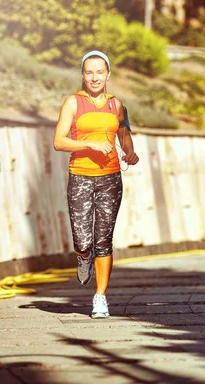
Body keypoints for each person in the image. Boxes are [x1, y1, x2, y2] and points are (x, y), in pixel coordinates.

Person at [53, 50, 139, 318]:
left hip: (110, 178)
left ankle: (100, 297)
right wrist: (88, 143)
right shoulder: (73, 103)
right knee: (83, 238)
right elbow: (59, 141)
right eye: (89, 72)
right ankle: (82, 256)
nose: (94, 77)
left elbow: (124, 136)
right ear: (82, 75)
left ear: (108, 74)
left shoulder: (117, 106)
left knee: (104, 240)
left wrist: (130, 153)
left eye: (99, 72)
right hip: (80, 176)